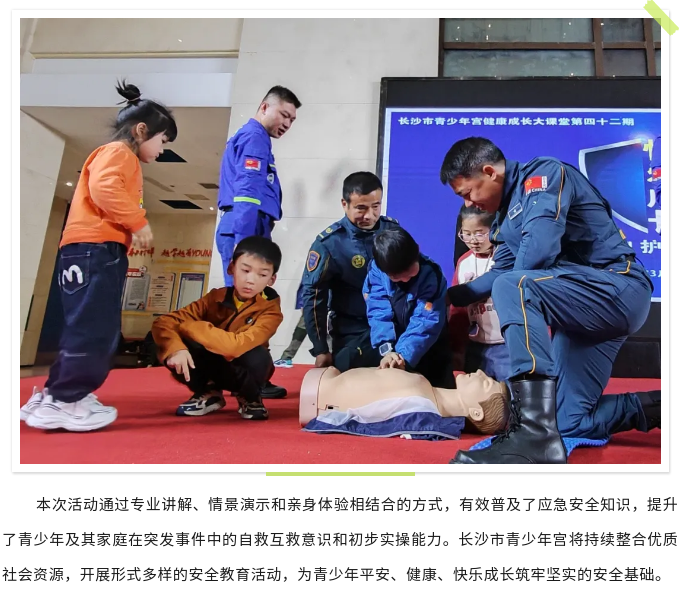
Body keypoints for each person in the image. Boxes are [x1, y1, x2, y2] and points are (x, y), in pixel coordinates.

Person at [441, 137, 660, 464]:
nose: (469, 203)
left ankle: (532, 433)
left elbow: (537, 252)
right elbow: (496, 276)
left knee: (512, 285)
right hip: (580, 314)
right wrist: (444, 295)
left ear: (489, 172)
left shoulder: (542, 176)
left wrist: (511, 284)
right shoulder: (503, 220)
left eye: (468, 192)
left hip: (618, 289)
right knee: (569, 422)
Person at [22, 81, 177, 432]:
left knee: (83, 325)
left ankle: (56, 394)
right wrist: (137, 222)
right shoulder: (120, 153)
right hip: (96, 249)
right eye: (162, 141)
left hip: (86, 249)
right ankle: (65, 399)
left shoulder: (112, 154)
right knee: (96, 329)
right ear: (142, 130)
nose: (162, 150)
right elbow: (104, 187)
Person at [215, 86, 300, 399]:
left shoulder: (252, 137)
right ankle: (247, 379)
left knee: (250, 307)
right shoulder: (255, 138)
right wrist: (246, 248)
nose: (287, 123)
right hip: (246, 227)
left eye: (292, 119)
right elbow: (248, 193)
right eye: (284, 115)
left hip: (246, 226)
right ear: (264, 107)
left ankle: (251, 377)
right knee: (247, 309)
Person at [151, 236, 284, 420]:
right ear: (231, 268)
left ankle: (250, 397)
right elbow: (164, 322)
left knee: (258, 356)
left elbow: (234, 346)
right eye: (245, 270)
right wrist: (176, 349)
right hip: (212, 366)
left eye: (262, 275)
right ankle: (208, 391)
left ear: (272, 279)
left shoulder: (271, 312)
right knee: (164, 341)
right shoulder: (215, 298)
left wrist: (189, 327)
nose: (250, 280)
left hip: (243, 373)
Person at [301, 172, 401, 371]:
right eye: (361, 208)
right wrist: (321, 349)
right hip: (352, 331)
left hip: (393, 326)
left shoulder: (393, 231)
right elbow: (313, 299)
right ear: (344, 204)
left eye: (376, 206)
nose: (369, 215)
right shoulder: (329, 244)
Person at [364, 227, 454, 388]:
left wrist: (402, 357)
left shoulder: (431, 274)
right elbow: (378, 312)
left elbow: (425, 322)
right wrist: (388, 351)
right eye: (396, 277)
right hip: (393, 348)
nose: (405, 279)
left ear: (417, 251)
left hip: (428, 347)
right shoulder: (376, 271)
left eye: (409, 272)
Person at [299, 366, 509, 436]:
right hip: (321, 385)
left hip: (318, 394)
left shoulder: (420, 411)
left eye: (486, 383)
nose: (480, 372)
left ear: (476, 412)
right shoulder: (423, 398)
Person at [448, 205, 510, 381]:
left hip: (507, 346)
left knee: (511, 393)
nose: (473, 240)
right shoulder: (463, 262)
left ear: (494, 229)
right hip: (476, 347)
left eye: (480, 233)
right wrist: (458, 348)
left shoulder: (506, 256)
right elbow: (458, 311)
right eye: (466, 234)